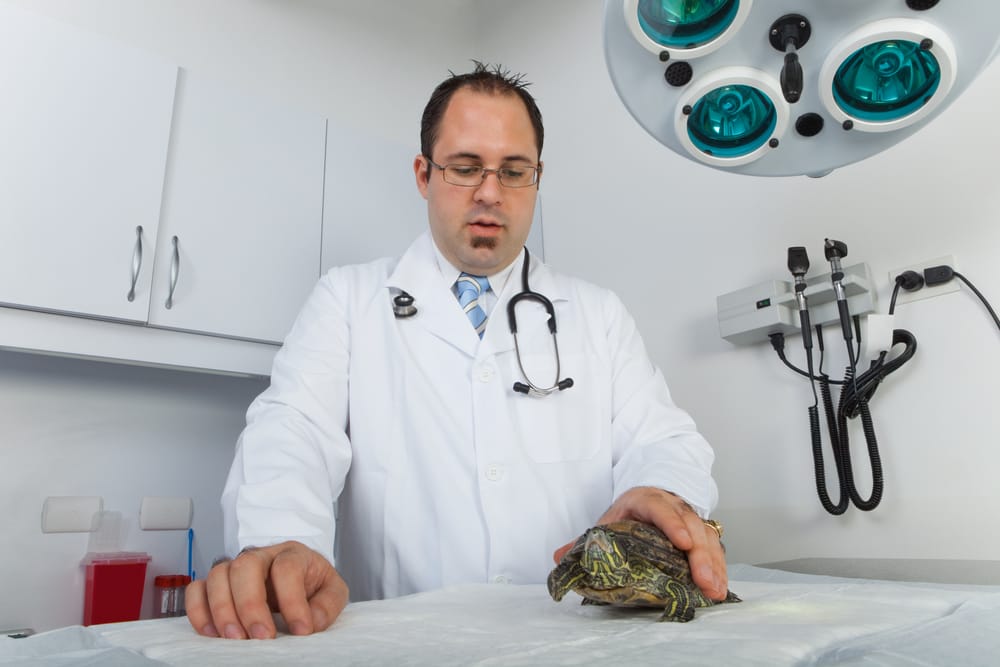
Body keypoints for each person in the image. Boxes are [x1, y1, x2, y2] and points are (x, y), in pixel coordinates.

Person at [185, 62, 728, 641]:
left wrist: (660, 492)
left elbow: (663, 440)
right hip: (407, 642)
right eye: (466, 168)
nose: (490, 193)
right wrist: (282, 538)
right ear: (424, 174)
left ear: (537, 178)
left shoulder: (598, 313)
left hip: (576, 642)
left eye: (515, 171)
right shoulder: (348, 299)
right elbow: (293, 428)